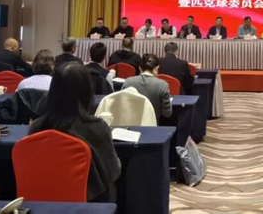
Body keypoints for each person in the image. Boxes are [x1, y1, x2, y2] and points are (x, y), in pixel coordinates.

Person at [29, 62, 121, 202]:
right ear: (87, 91)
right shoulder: (98, 128)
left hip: (42, 202)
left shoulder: (37, 128)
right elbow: (113, 171)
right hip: (89, 203)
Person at [122, 54, 172, 122]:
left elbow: (122, 107)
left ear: (140, 68)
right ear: (156, 69)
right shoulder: (163, 85)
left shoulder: (127, 82)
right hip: (152, 125)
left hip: (130, 125)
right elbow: (167, 113)